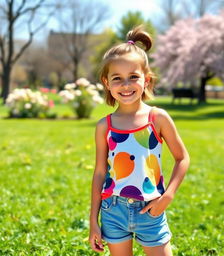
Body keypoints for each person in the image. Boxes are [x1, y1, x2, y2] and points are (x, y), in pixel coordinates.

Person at [89, 25, 190, 256]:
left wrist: (168, 196)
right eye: (117, 78)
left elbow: (182, 158)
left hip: (151, 209)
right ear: (107, 82)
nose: (125, 85)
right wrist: (93, 220)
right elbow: (99, 173)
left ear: (146, 79)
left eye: (133, 77)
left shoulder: (158, 118)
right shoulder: (104, 126)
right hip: (113, 210)